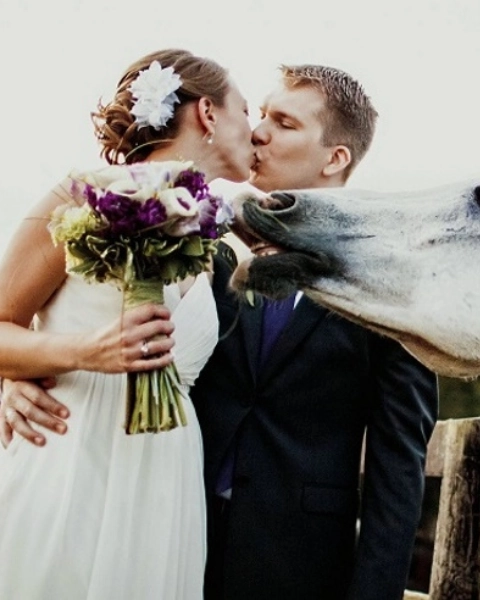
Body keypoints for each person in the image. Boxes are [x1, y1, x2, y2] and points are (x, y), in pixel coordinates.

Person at [1, 64, 439, 600]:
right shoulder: (203, 244)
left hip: (295, 563)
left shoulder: (391, 286)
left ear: (335, 158)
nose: (259, 133)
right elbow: (67, 317)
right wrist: (18, 375)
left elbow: (399, 463)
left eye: (283, 123)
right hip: (170, 524)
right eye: (260, 115)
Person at [0, 48, 255, 599]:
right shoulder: (81, 195)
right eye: (246, 111)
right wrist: (79, 353)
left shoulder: (212, 243)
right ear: (207, 112)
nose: (255, 132)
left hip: (165, 476)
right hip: (71, 453)